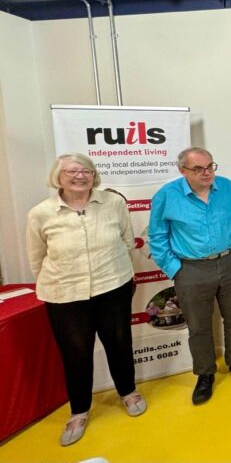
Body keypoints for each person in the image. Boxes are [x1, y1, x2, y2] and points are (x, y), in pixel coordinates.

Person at [26, 153, 147, 447]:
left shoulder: (113, 203)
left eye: (86, 171)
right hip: (65, 294)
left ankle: (128, 392)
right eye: (71, 171)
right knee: (76, 354)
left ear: (94, 175)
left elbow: (127, 240)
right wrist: (64, 280)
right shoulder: (41, 213)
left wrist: (114, 271)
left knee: (119, 344)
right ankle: (79, 411)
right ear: (58, 176)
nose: (79, 176)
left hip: (113, 286)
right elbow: (36, 258)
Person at [149, 147, 231, 405]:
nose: (207, 173)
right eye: (198, 169)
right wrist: (175, 269)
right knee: (198, 325)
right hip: (191, 269)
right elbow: (157, 235)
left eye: (210, 166)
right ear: (182, 170)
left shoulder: (227, 188)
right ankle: (205, 373)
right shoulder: (166, 196)